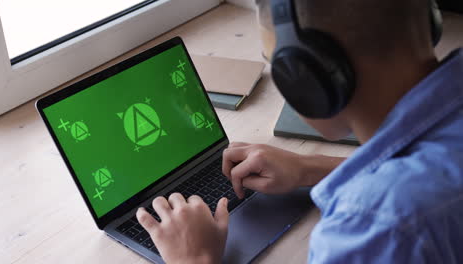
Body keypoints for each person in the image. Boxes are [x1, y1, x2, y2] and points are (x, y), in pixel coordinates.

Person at [135, 0, 463, 263]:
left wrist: (195, 260)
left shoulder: (372, 229)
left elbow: (397, 207)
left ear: (307, 74)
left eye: (278, 65)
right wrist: (311, 167)